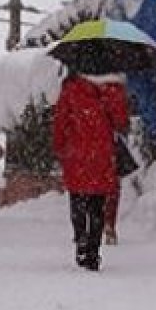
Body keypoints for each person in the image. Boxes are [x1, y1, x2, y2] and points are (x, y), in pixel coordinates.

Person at [52, 70, 128, 271]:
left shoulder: (71, 88)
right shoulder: (113, 88)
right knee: (97, 204)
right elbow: (121, 122)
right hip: (102, 153)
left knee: (77, 199)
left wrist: (60, 146)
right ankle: (93, 252)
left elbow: (61, 120)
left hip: (76, 152)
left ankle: (81, 241)